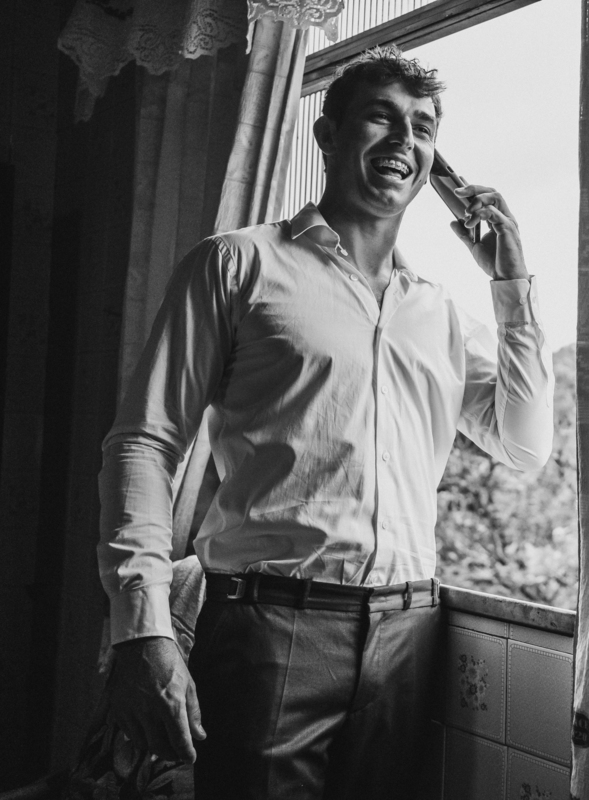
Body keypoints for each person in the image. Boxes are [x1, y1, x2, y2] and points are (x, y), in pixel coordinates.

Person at [96, 45, 553, 799]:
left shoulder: (439, 314)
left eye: (423, 127)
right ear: (328, 135)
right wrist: (142, 625)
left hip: (410, 633)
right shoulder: (237, 265)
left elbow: (524, 445)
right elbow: (145, 443)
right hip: (267, 630)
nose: (404, 139)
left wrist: (509, 283)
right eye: (381, 117)